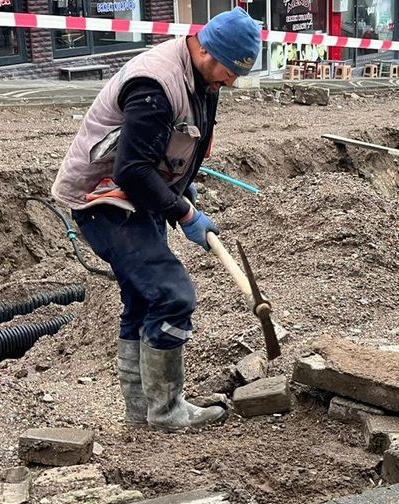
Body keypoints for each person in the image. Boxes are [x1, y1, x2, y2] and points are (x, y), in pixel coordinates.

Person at [50, 7, 261, 432]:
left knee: (143, 298)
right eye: (229, 71)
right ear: (206, 49)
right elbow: (131, 170)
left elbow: (178, 139)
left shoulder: (204, 77)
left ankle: (143, 414)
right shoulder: (155, 84)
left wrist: (181, 184)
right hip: (104, 200)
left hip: (139, 195)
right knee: (172, 295)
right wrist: (184, 211)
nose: (231, 82)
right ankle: (166, 412)